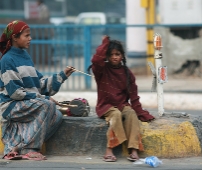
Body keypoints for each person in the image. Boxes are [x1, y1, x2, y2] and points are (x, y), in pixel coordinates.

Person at [0, 20, 75, 160]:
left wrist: (62, 76)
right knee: (48, 105)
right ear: (15, 38)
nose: (30, 39)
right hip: (11, 105)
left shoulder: (26, 57)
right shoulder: (7, 60)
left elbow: (41, 86)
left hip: (26, 103)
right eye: (26, 36)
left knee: (57, 116)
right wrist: (44, 98)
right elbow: (15, 93)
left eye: (30, 35)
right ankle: (30, 148)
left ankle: (19, 147)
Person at [88, 36, 155, 162]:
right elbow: (96, 60)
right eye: (111, 54)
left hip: (122, 104)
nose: (114, 57)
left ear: (122, 56)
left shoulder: (127, 73)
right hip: (105, 106)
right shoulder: (101, 70)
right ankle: (109, 149)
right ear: (107, 56)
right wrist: (104, 44)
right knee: (116, 115)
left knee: (131, 114)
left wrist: (140, 112)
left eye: (117, 54)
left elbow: (134, 96)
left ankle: (134, 149)